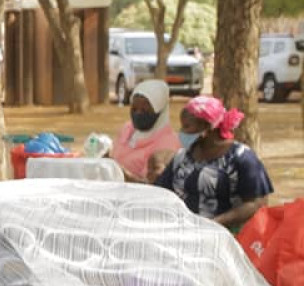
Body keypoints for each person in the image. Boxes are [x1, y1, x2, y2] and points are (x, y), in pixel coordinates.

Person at [155, 95, 273, 231]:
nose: (182, 132)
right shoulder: (181, 158)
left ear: (207, 127)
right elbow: (161, 192)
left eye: (187, 127)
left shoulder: (241, 158)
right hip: (185, 233)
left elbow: (257, 203)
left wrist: (215, 223)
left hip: (229, 237)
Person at [110, 80, 180, 183]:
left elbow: (152, 185)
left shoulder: (168, 144)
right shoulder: (128, 129)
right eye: (134, 109)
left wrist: (120, 173)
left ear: (159, 111)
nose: (138, 114)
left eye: (144, 110)